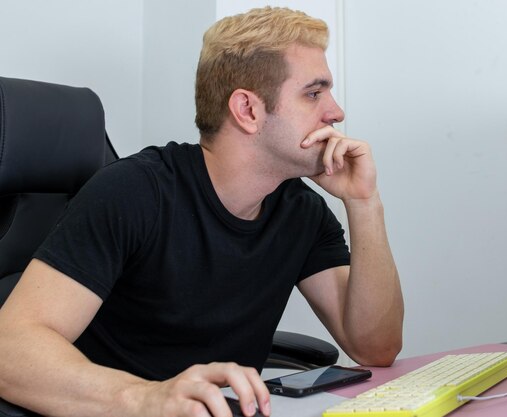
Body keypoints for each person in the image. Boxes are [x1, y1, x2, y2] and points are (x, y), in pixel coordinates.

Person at [0, 6, 403, 417]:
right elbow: (9, 349)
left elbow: (375, 347)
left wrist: (363, 203)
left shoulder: (300, 211)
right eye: (314, 93)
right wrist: (145, 399)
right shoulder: (134, 192)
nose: (336, 112)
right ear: (247, 110)